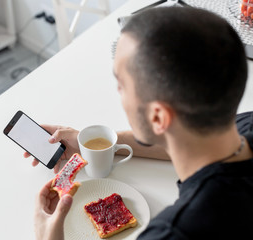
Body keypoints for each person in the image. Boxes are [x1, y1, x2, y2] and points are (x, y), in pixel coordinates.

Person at [30, 6, 253, 240]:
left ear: (157, 117)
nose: (118, 92)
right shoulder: (240, 127)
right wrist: (94, 144)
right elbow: (188, 138)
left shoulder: (174, 232)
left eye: (122, 85)